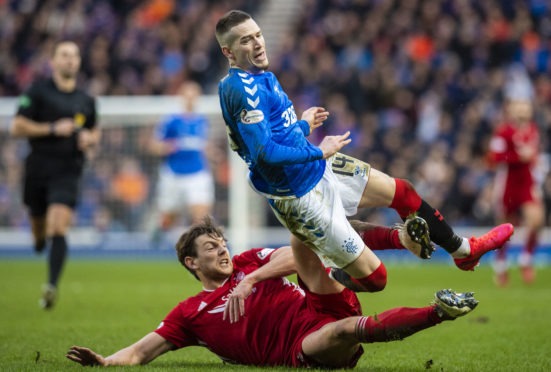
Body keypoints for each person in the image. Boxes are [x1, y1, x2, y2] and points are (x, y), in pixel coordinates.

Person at [215, 10, 513, 292]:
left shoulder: (261, 76)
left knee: (403, 192)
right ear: (228, 52)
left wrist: (303, 126)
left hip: (317, 165)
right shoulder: (241, 89)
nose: (257, 43)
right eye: (246, 40)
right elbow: (264, 153)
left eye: (258, 35)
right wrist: (319, 151)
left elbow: (273, 135)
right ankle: (326, 266)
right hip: (298, 195)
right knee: (376, 279)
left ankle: (464, 251)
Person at [66, 217, 478, 368]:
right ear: (192, 264)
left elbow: (290, 255)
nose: (223, 249)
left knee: (304, 233)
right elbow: (140, 353)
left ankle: (396, 239)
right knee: (342, 332)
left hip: (319, 300)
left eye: (221, 242)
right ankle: (440, 311)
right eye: (211, 248)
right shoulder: (190, 314)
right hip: (301, 346)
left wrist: (251, 279)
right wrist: (105, 362)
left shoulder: (247, 264)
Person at [10, 40, 100, 309]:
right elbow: (17, 127)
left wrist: (89, 139)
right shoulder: (37, 92)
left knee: (58, 227)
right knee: (40, 231)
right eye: (64, 55)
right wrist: (51, 128)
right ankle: (39, 242)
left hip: (68, 170)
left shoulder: (86, 100)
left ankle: (50, 286)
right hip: (38, 168)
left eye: (74, 55)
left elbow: (95, 130)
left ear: (79, 62)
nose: (70, 60)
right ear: (53, 61)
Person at [148, 81, 214, 245]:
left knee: (201, 217)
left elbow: (202, 145)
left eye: (194, 96)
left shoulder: (202, 121)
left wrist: (212, 153)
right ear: (181, 97)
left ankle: (199, 249)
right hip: (174, 174)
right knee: (169, 216)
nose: (191, 99)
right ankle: (161, 229)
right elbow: (153, 145)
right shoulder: (171, 121)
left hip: (197, 173)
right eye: (187, 95)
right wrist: (167, 147)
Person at [488, 99, 545, 286]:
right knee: (506, 226)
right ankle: (501, 264)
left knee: (537, 220)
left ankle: (526, 259)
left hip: (527, 182)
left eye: (526, 107)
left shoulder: (532, 130)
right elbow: (494, 157)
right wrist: (518, 157)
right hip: (508, 183)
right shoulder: (503, 132)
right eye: (520, 108)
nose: (523, 111)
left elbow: (533, 155)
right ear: (512, 111)